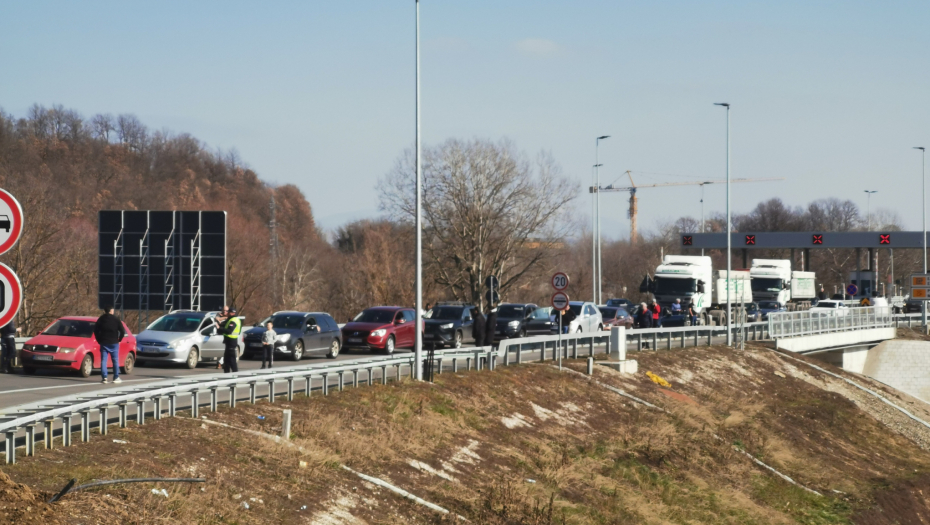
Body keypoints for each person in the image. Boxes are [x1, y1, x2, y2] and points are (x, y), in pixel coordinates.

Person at [93, 306, 125, 384]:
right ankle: (116, 377)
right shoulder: (116, 319)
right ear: (111, 311)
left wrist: (99, 340)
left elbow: (96, 331)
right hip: (114, 342)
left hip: (104, 342)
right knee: (115, 360)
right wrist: (119, 340)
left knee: (104, 360)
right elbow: (122, 331)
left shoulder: (101, 319)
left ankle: (104, 378)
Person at [215, 307, 242, 373]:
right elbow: (224, 324)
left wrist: (219, 329)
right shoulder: (231, 319)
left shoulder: (233, 320)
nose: (226, 313)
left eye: (228, 312)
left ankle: (235, 373)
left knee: (231, 359)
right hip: (228, 341)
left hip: (231, 341)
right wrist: (219, 322)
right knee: (226, 359)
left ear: (232, 313)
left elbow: (229, 330)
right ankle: (226, 373)